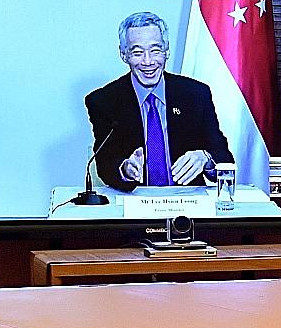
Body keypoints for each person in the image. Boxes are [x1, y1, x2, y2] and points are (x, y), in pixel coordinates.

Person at [85, 12, 234, 193]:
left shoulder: (195, 94)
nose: (148, 62)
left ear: (167, 51)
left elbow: (224, 158)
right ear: (124, 55)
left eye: (155, 50)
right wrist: (125, 169)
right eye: (137, 52)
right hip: (134, 203)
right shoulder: (104, 101)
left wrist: (206, 158)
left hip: (188, 205)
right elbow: (105, 163)